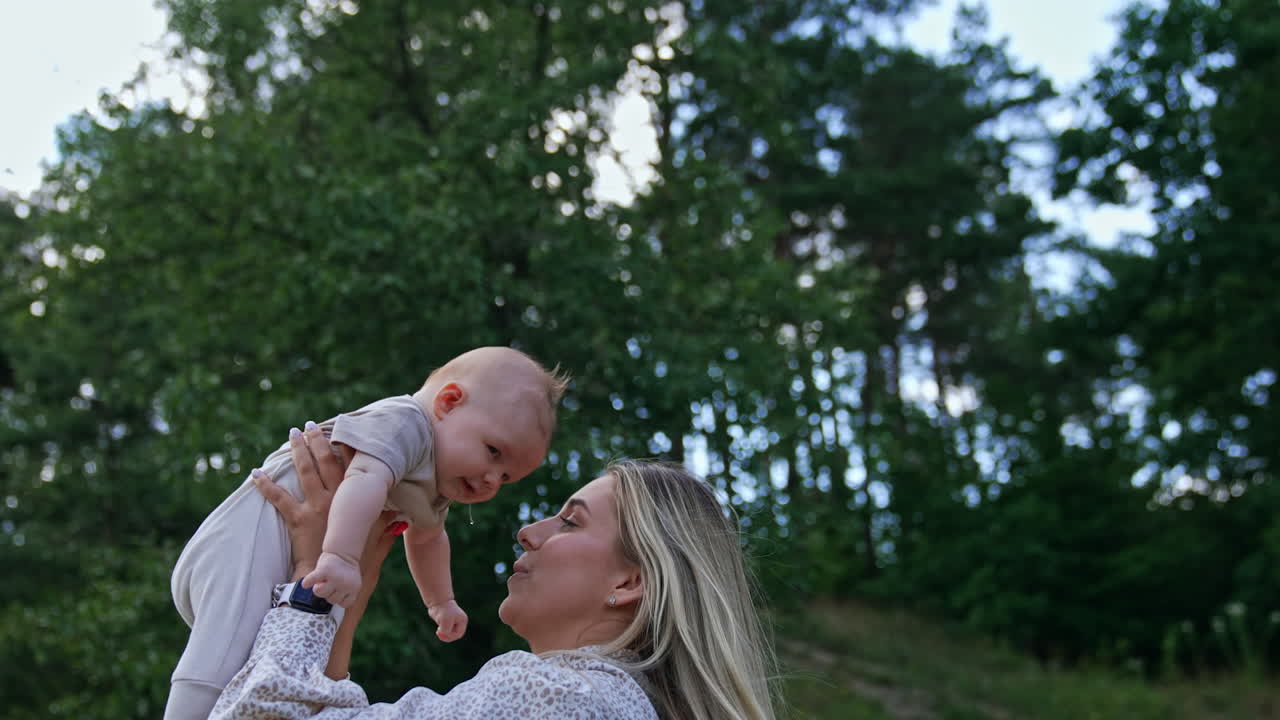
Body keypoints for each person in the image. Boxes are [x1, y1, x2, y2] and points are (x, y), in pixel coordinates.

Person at [209, 424, 780, 719]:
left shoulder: (551, 696)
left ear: (631, 583)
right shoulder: (619, 706)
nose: (529, 532)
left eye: (570, 523)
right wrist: (345, 586)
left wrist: (310, 580)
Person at [167, 346, 567, 720]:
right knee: (223, 654)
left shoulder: (438, 478)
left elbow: (427, 537)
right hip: (256, 530)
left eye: (507, 477)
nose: (490, 480)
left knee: (288, 675)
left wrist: (441, 601)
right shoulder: (406, 423)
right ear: (448, 403)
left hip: (303, 557)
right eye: (493, 452)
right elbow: (364, 478)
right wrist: (340, 558)